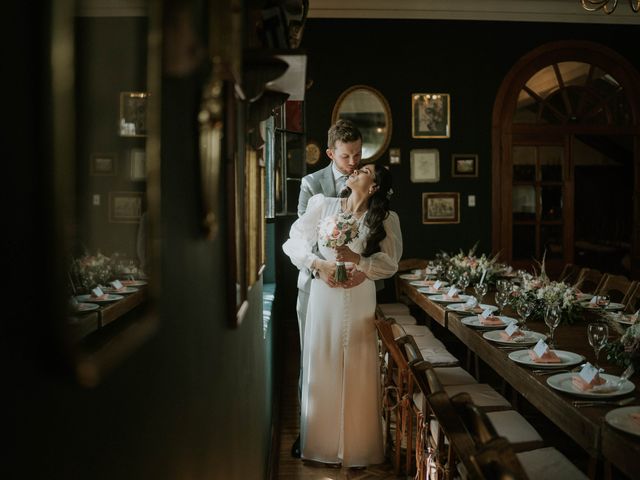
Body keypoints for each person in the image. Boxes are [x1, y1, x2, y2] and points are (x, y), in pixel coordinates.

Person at [283, 163, 403, 467]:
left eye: (364, 170)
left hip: (360, 296)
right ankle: (322, 445)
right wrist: (316, 264)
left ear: (373, 186)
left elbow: (389, 264)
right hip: (324, 294)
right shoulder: (323, 206)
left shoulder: (386, 219)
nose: (355, 170)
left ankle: (359, 446)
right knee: (323, 358)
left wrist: (359, 262)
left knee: (358, 363)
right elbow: (292, 241)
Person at [290, 119, 363, 458]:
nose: (354, 163)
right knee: (313, 360)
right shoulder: (311, 183)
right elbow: (306, 234)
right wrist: (324, 268)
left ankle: (347, 434)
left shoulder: (367, 181)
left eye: (358, 155)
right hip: (316, 284)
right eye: (347, 157)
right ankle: (310, 433)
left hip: (354, 288)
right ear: (331, 153)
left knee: (351, 363)